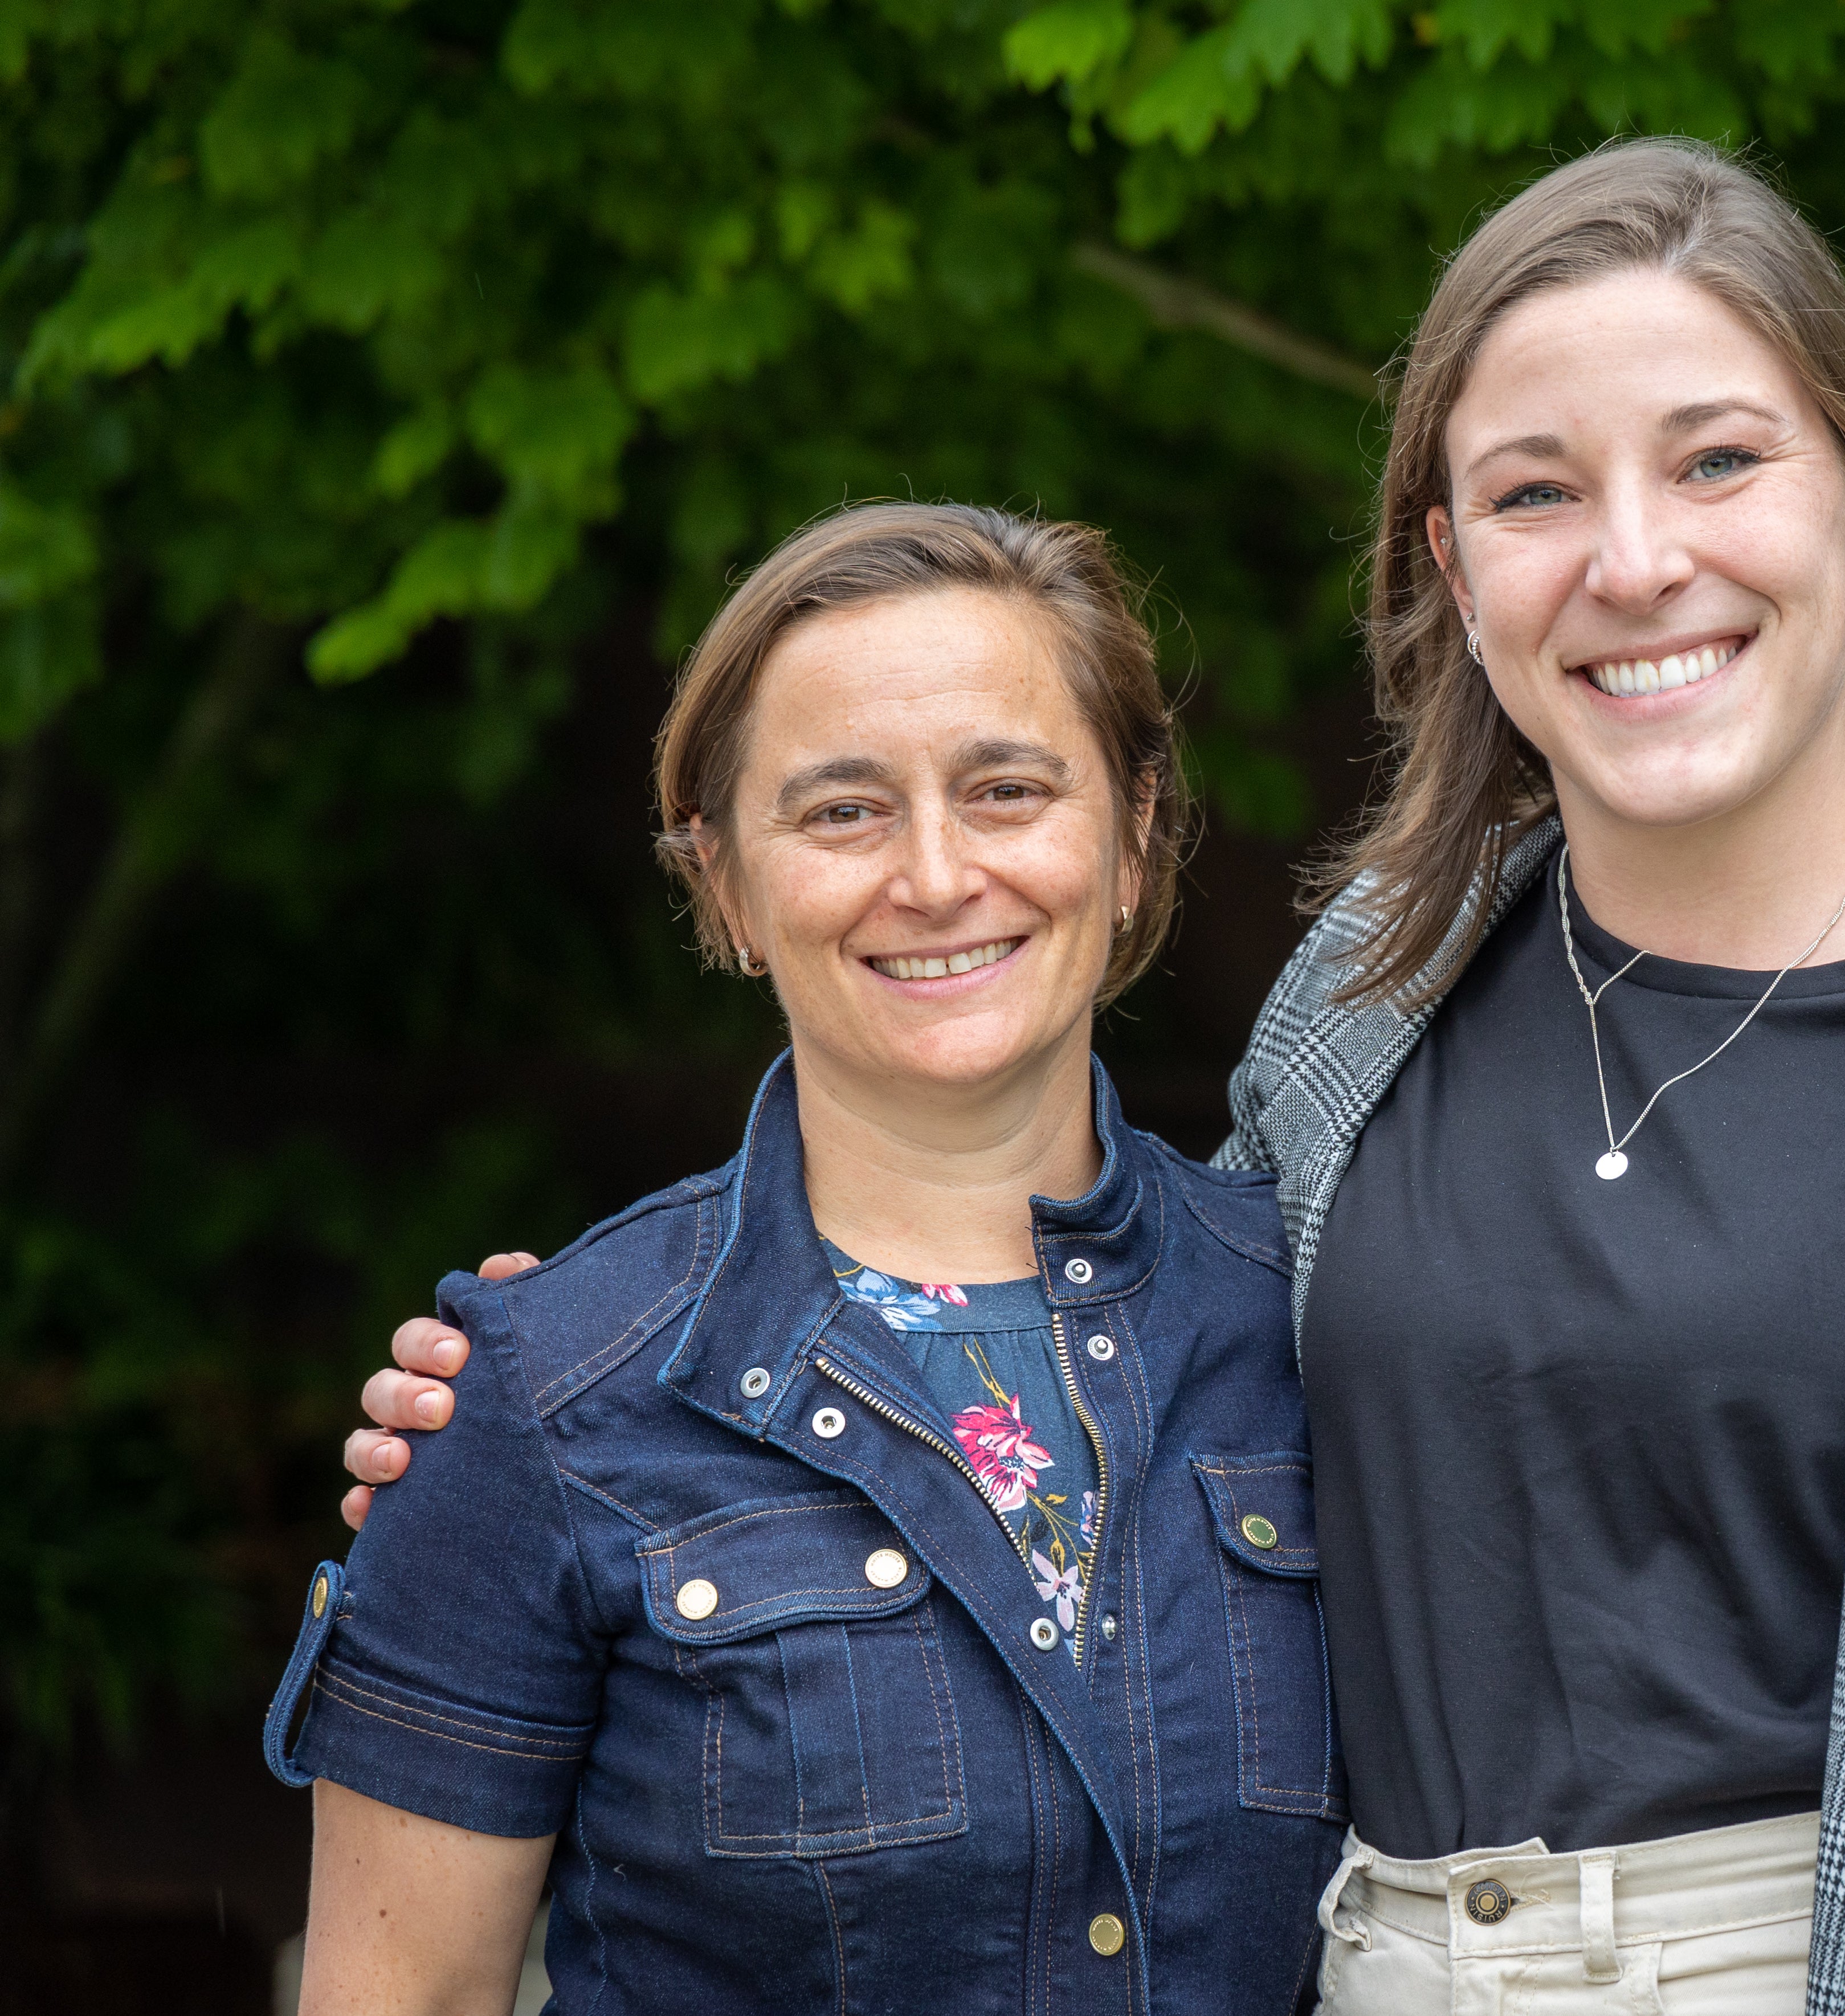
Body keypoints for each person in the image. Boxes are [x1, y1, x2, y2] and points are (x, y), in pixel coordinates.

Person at [344, 140, 1845, 2015]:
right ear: (1448, 565)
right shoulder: (1375, 983)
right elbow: (1110, 1369)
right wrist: (577, 1390)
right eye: (1534, 492)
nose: (1632, 559)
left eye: (1714, 464)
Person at [272, 504, 1345, 2015]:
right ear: (725, 883)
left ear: (1135, 830)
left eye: (1007, 789)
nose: (932, 872)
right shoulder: (541, 1399)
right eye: (842, 811)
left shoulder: (1325, 1325)